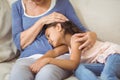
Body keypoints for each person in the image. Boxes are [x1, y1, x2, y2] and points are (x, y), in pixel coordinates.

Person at [10, 0, 97, 80]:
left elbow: (79, 30)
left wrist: (92, 35)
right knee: (17, 76)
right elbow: (20, 44)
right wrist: (42, 21)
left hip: (59, 57)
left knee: (46, 75)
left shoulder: (62, 3)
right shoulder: (17, 7)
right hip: (28, 58)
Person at [44, 21, 120, 80]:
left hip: (113, 54)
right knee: (78, 69)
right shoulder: (69, 46)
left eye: (48, 35)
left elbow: (73, 64)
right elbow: (54, 52)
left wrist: (49, 60)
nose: (48, 41)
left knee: (106, 76)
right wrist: (42, 59)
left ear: (58, 27)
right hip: (103, 63)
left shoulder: (76, 38)